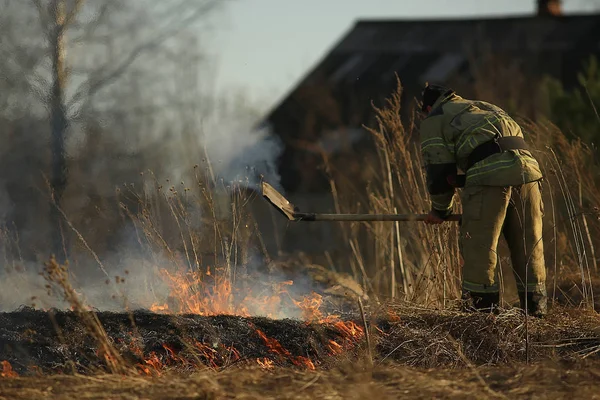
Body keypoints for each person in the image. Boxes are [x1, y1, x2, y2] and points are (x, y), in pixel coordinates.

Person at [419, 83, 547, 317]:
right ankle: (537, 317)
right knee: (529, 247)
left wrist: (440, 211)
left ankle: (483, 319)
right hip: (529, 174)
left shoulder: (435, 118)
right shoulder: (482, 107)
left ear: (427, 107)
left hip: (489, 178)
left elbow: (438, 171)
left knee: (480, 247)